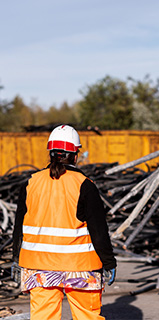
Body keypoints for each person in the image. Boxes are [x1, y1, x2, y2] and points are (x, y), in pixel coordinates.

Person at [12, 124, 117, 320]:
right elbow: (98, 230)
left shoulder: (31, 183)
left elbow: (19, 227)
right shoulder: (85, 185)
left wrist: (16, 258)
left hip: (38, 267)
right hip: (81, 267)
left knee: (43, 317)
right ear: (75, 155)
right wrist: (109, 261)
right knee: (87, 317)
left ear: (50, 153)